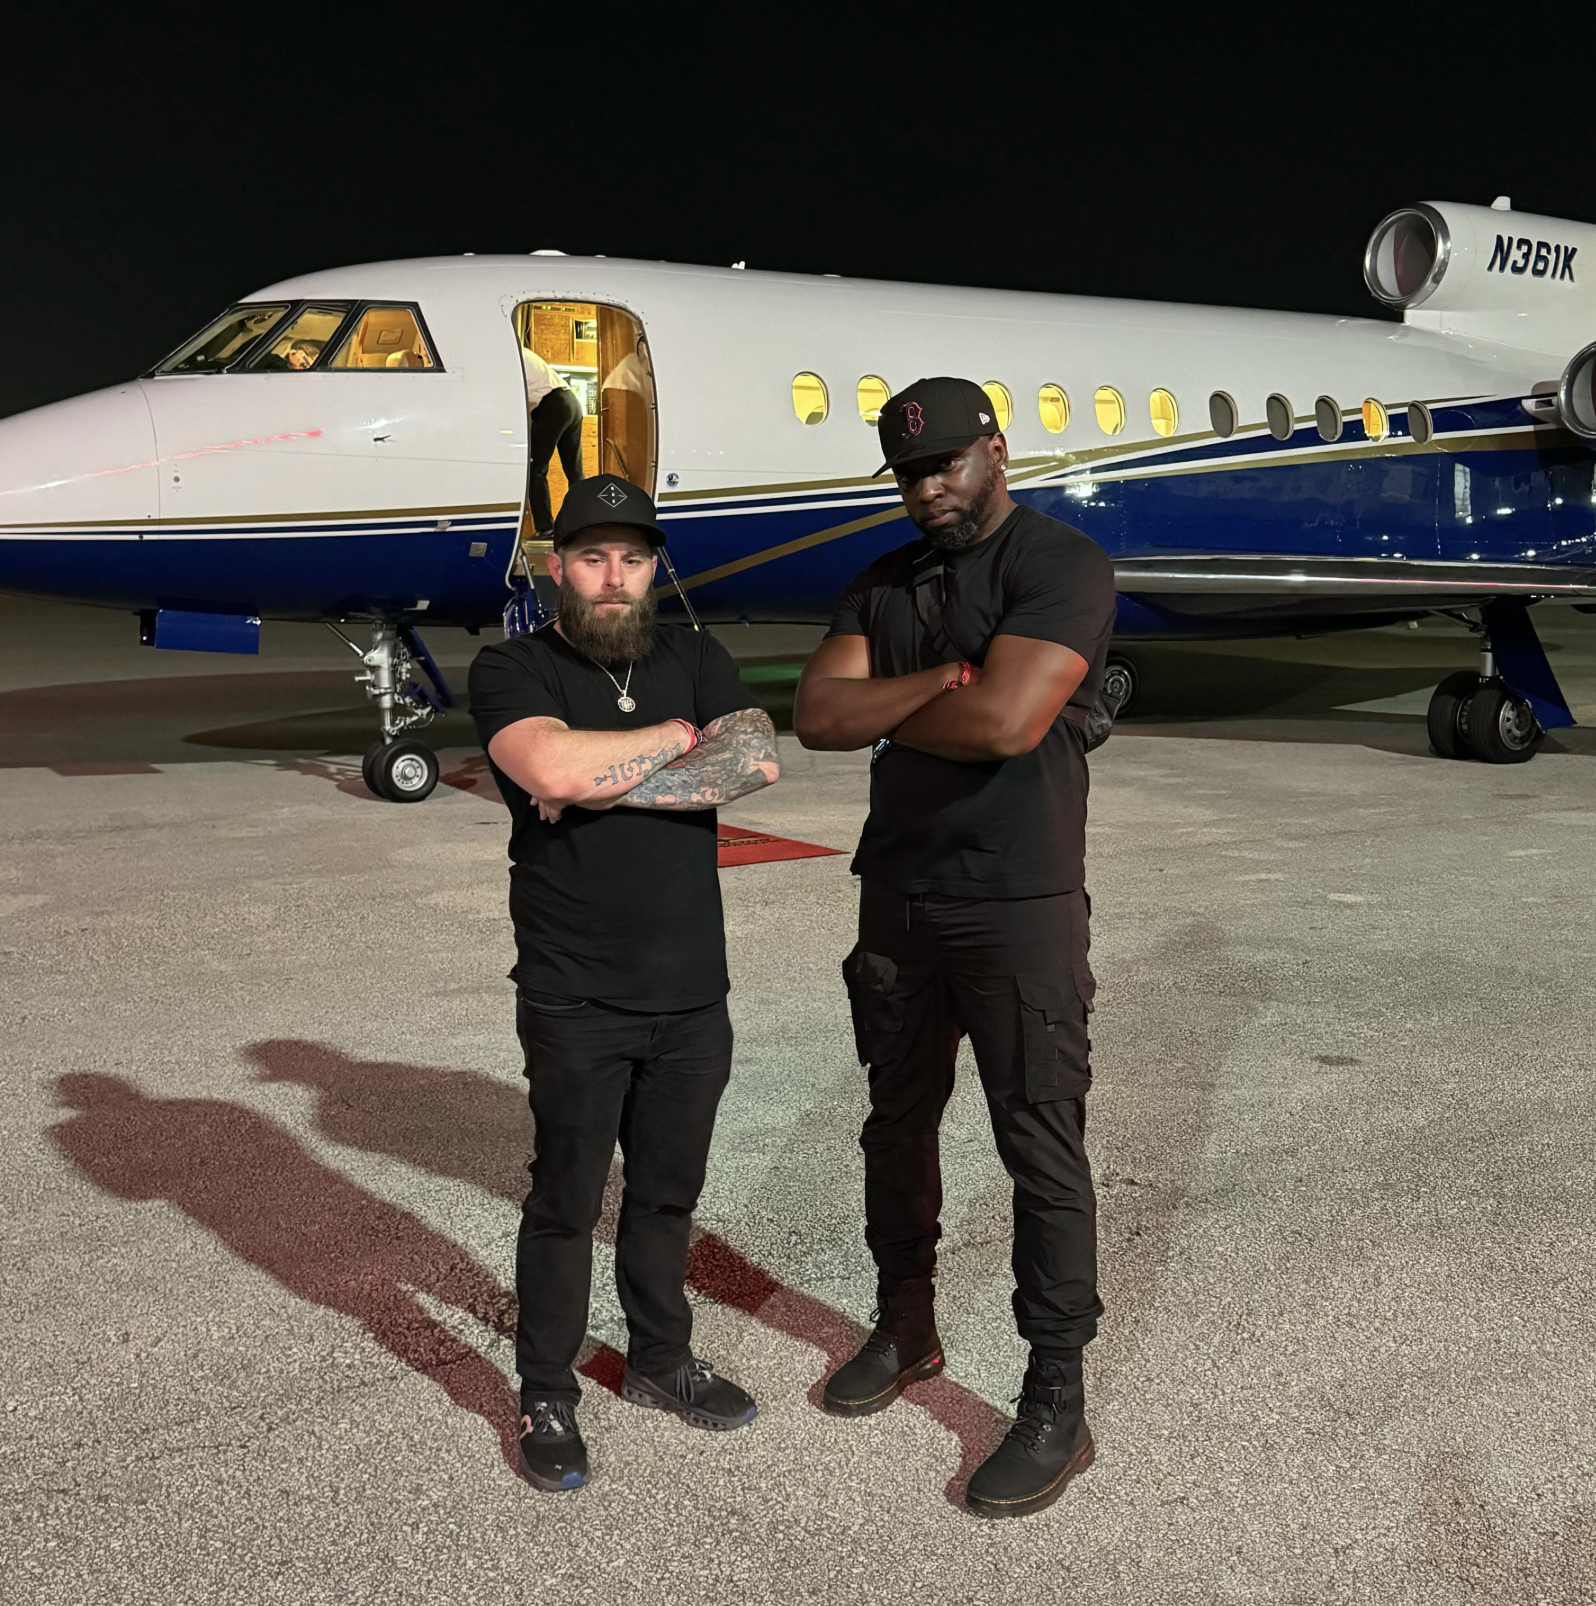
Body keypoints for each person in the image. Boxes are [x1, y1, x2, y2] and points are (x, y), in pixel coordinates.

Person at [792, 376, 1117, 1520]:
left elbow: (1010, 722)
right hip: (900, 898)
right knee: (896, 1121)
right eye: (908, 474)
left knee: (1039, 1142)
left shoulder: (1059, 565)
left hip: (1018, 901)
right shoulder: (880, 583)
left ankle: (1054, 1399)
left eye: (947, 467)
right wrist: (935, 676)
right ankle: (908, 1325)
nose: (928, 489)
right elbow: (818, 718)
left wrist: (891, 700)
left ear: (997, 451)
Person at [468, 472, 782, 1494]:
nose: (613, 577)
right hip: (576, 995)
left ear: (655, 567)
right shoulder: (512, 667)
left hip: (694, 992)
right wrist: (670, 741)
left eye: (633, 557)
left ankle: (659, 1357)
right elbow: (550, 772)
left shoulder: (694, 651)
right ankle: (547, 1388)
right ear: (558, 566)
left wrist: (607, 777)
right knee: (565, 1199)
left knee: (666, 1194)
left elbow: (754, 760)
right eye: (593, 557)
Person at [522, 344, 586, 536]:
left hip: (552, 405)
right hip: (571, 402)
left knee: (535, 469)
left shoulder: (508, 354)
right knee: (574, 471)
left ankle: (545, 527)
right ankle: (583, 523)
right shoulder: (523, 352)